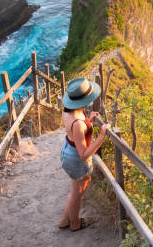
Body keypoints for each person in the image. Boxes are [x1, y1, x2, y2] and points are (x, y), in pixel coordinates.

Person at [58, 77, 110, 231]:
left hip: (68, 149)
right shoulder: (78, 123)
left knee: (75, 191)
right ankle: (74, 224)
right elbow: (84, 154)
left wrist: (90, 121)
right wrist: (101, 136)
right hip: (75, 158)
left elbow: (78, 132)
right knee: (77, 193)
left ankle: (64, 221)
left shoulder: (69, 113)